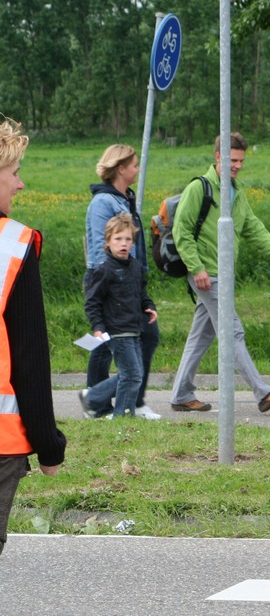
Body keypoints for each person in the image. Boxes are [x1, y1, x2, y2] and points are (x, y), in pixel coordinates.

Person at [168, 132, 270, 413]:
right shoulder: (199, 188)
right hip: (207, 274)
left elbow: (252, 226)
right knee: (232, 331)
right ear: (218, 157)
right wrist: (196, 268)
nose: (237, 166)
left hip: (222, 274)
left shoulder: (236, 191)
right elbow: (181, 231)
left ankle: (181, 395)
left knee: (200, 336)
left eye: (241, 161)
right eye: (233, 160)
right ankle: (263, 392)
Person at [0, 117, 65, 556]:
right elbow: (30, 356)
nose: (20, 184)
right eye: (14, 172)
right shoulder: (13, 244)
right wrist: (48, 444)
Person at [84, 144, 161, 419]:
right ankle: (101, 402)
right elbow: (99, 248)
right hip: (111, 280)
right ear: (120, 168)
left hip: (128, 277)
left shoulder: (125, 198)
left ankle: (103, 400)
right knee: (108, 341)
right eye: (134, 165)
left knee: (141, 337)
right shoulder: (103, 203)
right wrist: (114, 283)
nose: (138, 170)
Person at [81, 213, 157, 418]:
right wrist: (98, 327)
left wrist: (149, 306)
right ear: (107, 241)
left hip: (134, 329)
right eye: (118, 239)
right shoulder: (104, 270)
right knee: (131, 374)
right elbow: (92, 302)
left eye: (128, 239)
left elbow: (142, 294)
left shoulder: (135, 267)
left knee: (134, 375)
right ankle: (121, 415)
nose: (123, 243)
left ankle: (118, 409)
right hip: (117, 331)